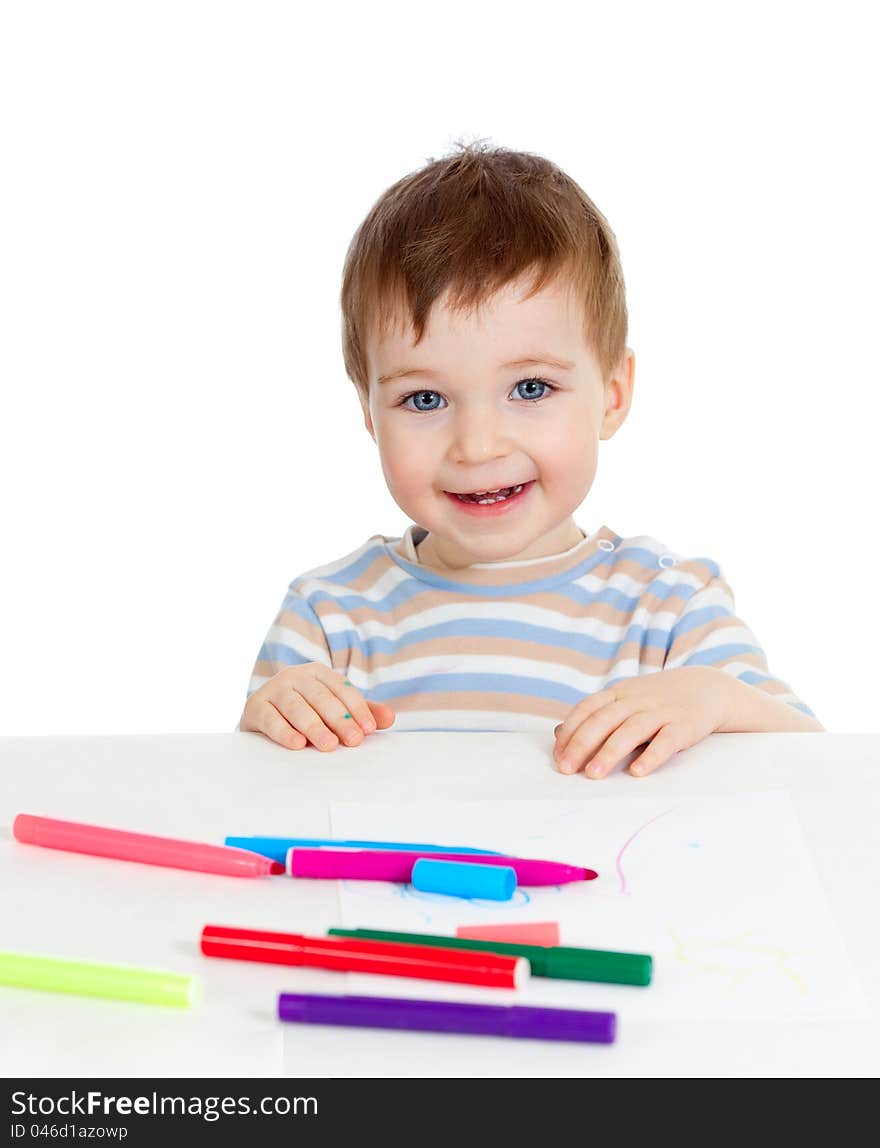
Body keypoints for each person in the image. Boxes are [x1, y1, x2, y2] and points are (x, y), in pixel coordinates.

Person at [240, 140, 823, 778]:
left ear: (613, 395)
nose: (478, 446)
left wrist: (712, 699)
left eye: (530, 389)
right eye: (425, 397)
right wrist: (273, 717)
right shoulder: (328, 617)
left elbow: (816, 764)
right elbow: (261, 787)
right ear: (368, 414)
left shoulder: (668, 607)